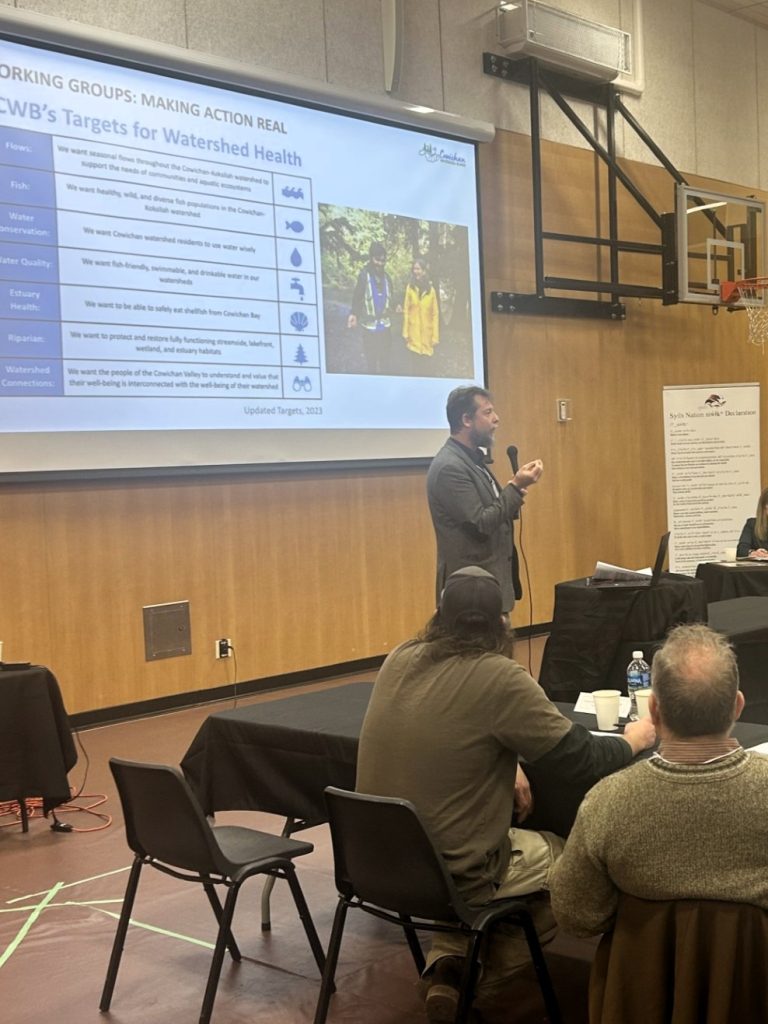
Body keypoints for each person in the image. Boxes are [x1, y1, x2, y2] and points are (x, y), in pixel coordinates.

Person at [356, 565, 656, 1022]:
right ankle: (475, 980)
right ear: (502, 622)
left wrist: (508, 756)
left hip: (374, 862)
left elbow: (455, 728)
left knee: (488, 860)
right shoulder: (501, 677)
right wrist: (635, 738)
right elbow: (583, 759)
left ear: (438, 614)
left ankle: (449, 966)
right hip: (452, 872)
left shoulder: (399, 657)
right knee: (574, 864)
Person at [549, 623, 768, 940]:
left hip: (641, 970)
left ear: (652, 709)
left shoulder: (607, 801)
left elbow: (576, 915)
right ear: (738, 706)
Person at [426, 385, 540, 613]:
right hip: (470, 593)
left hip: (488, 585)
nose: (496, 419)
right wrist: (516, 487)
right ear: (466, 420)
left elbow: (493, 510)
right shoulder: (450, 467)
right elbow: (480, 523)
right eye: (487, 412)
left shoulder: (472, 460)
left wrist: (515, 491)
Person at [347, 240, 393, 373]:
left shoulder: (387, 278)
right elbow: (357, 297)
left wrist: (397, 305)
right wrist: (353, 314)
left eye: (383, 260)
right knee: (371, 363)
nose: (380, 263)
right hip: (369, 328)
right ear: (371, 258)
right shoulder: (363, 276)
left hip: (385, 327)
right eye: (377, 260)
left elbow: (392, 297)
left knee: (385, 363)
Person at [402, 258, 439, 356]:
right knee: (414, 363)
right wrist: (405, 332)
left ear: (424, 271)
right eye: (414, 269)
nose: (416, 271)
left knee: (426, 364)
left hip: (427, 338)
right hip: (413, 337)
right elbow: (406, 310)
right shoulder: (410, 288)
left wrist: (435, 336)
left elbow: (435, 314)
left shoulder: (431, 290)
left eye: (418, 269)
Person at [736, 485, 768, 558]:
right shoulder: (752, 524)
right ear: (764, 507)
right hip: (760, 565)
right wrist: (753, 553)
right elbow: (741, 550)